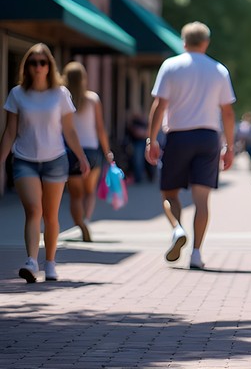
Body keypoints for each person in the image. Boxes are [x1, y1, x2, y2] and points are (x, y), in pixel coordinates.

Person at [145, 22, 235, 271]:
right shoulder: (219, 70)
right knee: (202, 199)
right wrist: (229, 146)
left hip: (178, 136)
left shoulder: (171, 66)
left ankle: (177, 228)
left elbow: (159, 106)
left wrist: (151, 139)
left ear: (183, 42)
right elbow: (227, 112)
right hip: (208, 137)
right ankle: (196, 253)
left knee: (169, 193)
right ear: (206, 42)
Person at [0, 44, 90, 282]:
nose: (38, 67)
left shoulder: (60, 94)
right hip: (24, 159)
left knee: (50, 214)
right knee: (33, 209)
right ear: (27, 67)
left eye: (43, 62)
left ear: (49, 66)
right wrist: (1, 161)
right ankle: (32, 261)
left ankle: (50, 262)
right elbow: (9, 132)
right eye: (33, 63)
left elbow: (69, 130)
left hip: (55, 160)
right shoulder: (17, 94)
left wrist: (81, 156)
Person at [62, 61, 115, 242]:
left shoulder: (63, 100)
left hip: (71, 152)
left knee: (75, 195)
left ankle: (79, 223)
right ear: (84, 78)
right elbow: (100, 128)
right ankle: (86, 219)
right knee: (89, 191)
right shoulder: (92, 99)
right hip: (92, 152)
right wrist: (107, 151)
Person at [127, 110, 153, 184]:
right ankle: (138, 177)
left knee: (148, 159)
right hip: (137, 142)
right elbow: (136, 132)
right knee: (138, 159)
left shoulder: (145, 122)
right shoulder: (133, 122)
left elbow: (147, 132)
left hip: (145, 140)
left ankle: (150, 176)